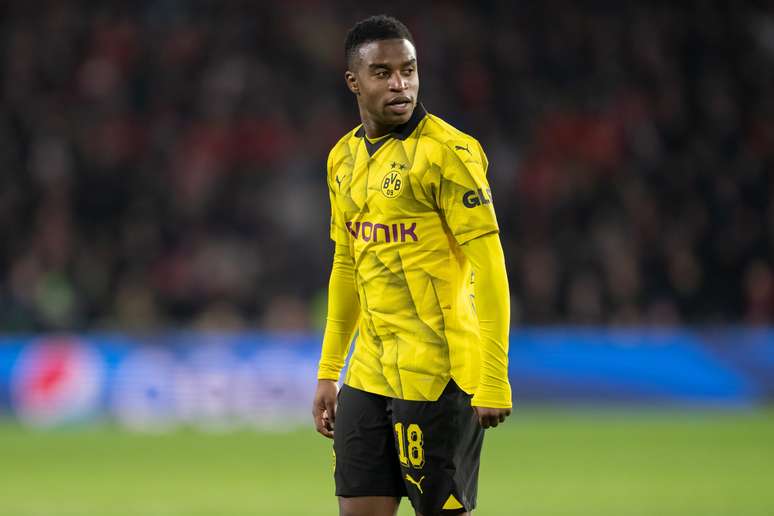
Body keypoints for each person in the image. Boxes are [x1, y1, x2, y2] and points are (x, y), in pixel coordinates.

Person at [312, 15, 512, 516]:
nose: (400, 83)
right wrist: (328, 370)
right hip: (368, 373)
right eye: (383, 72)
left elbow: (490, 267)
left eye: (409, 69)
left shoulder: (450, 154)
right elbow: (346, 264)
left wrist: (495, 376)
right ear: (353, 82)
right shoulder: (342, 159)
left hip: (438, 374)